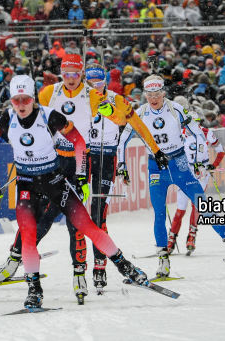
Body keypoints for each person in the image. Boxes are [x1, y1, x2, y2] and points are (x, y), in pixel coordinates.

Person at [6, 54, 164, 303]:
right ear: (61, 72)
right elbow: (31, 116)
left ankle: (81, 270)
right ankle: (16, 258)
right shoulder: (49, 92)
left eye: (75, 74)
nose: (71, 79)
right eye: (66, 73)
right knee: (43, 217)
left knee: (79, 220)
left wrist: (109, 111)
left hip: (80, 160)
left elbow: (123, 120)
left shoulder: (93, 96)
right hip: (52, 161)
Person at [117, 75, 225, 278]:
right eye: (149, 94)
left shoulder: (175, 109)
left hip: (179, 164)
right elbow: (123, 139)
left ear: (163, 93)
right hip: (156, 167)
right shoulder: (140, 113)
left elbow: (197, 133)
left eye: (156, 94)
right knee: (159, 214)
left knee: (203, 206)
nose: (153, 98)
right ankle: (163, 260)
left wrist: (195, 159)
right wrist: (121, 165)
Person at [84, 63, 162, 292]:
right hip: (84, 156)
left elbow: (135, 125)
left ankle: (99, 265)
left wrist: (156, 151)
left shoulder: (117, 99)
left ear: (105, 82)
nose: (93, 87)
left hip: (106, 157)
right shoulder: (81, 99)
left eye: (98, 83)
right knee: (77, 215)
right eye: (89, 83)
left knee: (97, 214)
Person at [167, 112, 225, 254]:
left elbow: (221, 151)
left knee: (197, 204)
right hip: (185, 171)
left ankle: (191, 237)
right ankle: (171, 239)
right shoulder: (179, 133)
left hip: (201, 171)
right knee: (181, 207)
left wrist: (214, 165)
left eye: (197, 123)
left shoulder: (206, 133)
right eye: (190, 123)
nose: (194, 126)